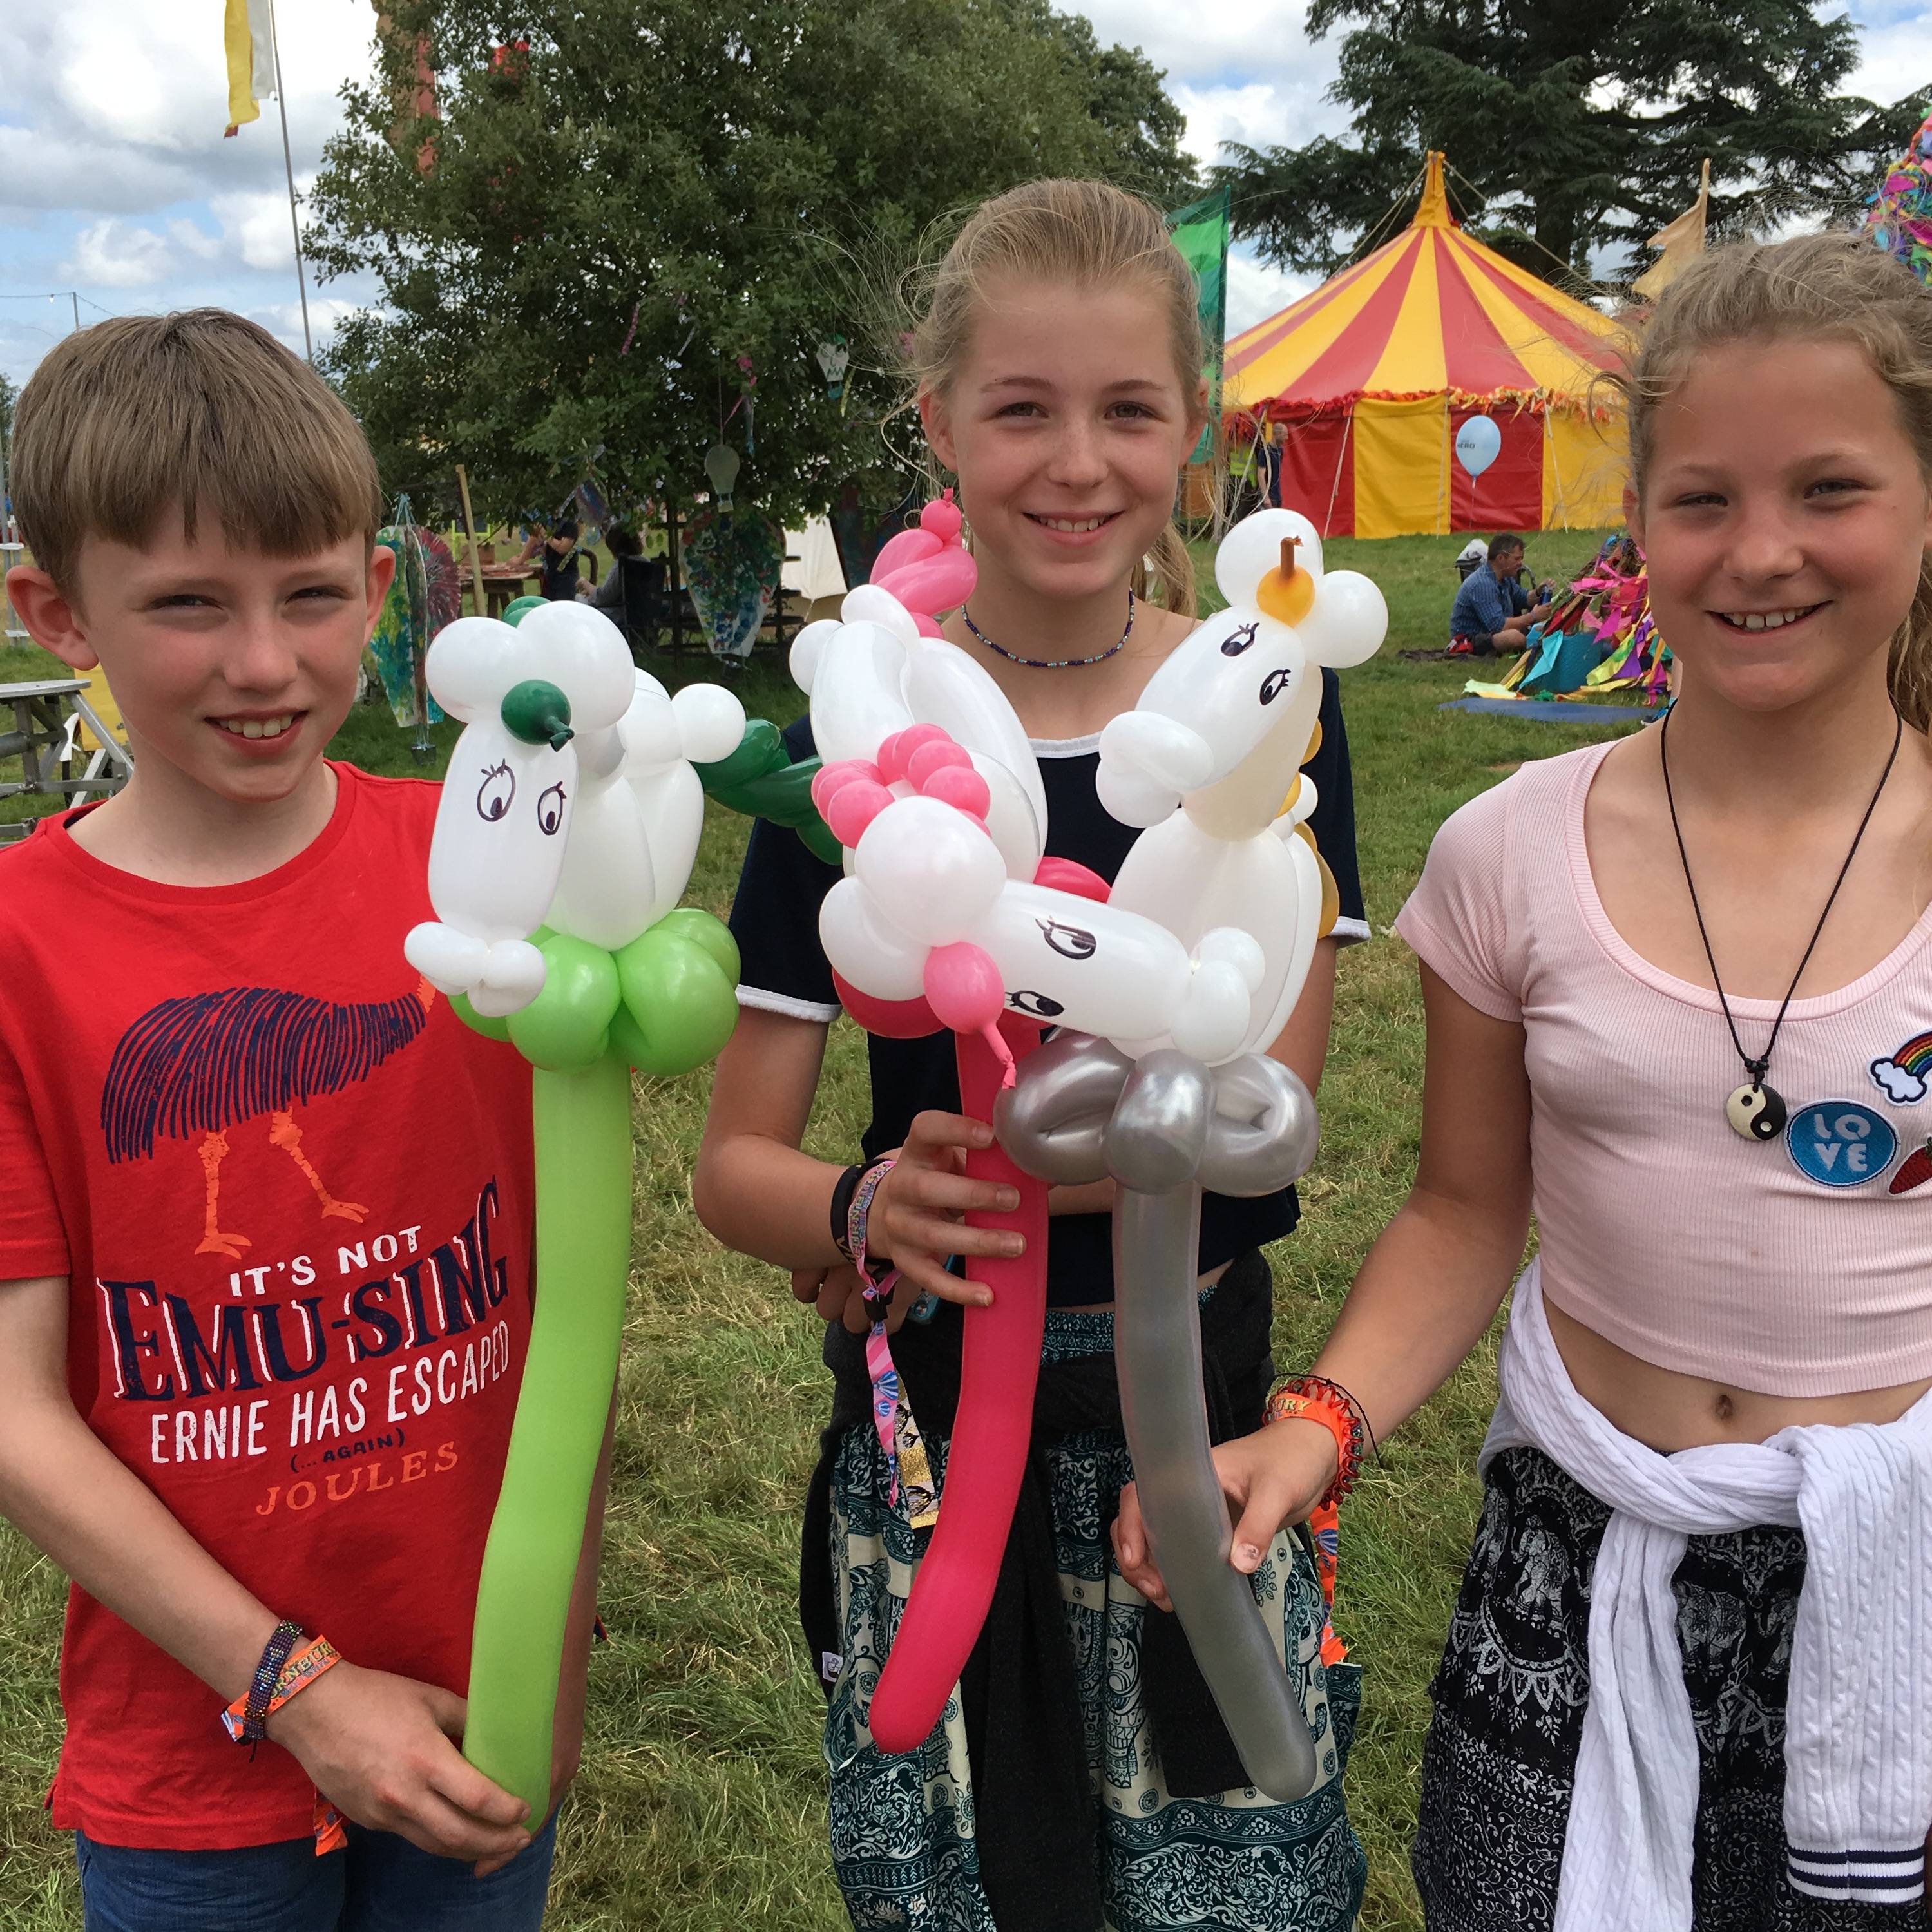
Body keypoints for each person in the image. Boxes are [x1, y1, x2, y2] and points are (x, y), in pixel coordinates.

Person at [1116, 230, 1932, 1931]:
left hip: (1895, 1578)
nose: (1759, 549)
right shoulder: (1507, 853)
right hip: (1571, 1565)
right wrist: (1311, 1422)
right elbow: (1463, 1202)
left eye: (1829, 487)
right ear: (1629, 523)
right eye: (1699, 497)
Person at [693, 179, 1370, 1932]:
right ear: (935, 421)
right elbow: (736, 1169)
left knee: (1221, 1867)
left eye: (1126, 409)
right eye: (1018, 407)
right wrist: (854, 1200)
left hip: (1193, 1422)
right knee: (968, 1883)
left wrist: (984, 1163)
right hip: (928, 1437)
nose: (1075, 461)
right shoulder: (850, 748)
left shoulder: (1264, 716)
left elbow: (1254, 1132)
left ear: (1186, 426)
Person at [0, 311, 607, 1930]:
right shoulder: (16, 952)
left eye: (311, 594)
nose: (264, 664)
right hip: (191, 1769)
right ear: (57, 611)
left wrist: (552, 1637)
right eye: (189, 604)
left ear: (381, 593)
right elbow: (14, 1408)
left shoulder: (488, 884)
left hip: (479, 1712)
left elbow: (565, 1291)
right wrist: (296, 1686)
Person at [1448, 531, 1550, 655]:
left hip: (1491, 632)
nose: (1520, 563)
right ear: (1501, 558)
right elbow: (1499, 626)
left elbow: (1522, 598)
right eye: (1517, 559)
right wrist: (1533, 616)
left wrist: (1539, 592)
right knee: (1514, 637)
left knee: (1537, 627)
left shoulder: (1505, 577)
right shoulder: (1482, 584)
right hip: (1469, 639)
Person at [511, 517, 586, 601]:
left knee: (562, 608)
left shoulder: (569, 524)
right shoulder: (551, 521)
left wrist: (544, 533)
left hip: (566, 577)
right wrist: (539, 545)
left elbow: (563, 548)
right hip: (551, 574)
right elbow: (547, 547)